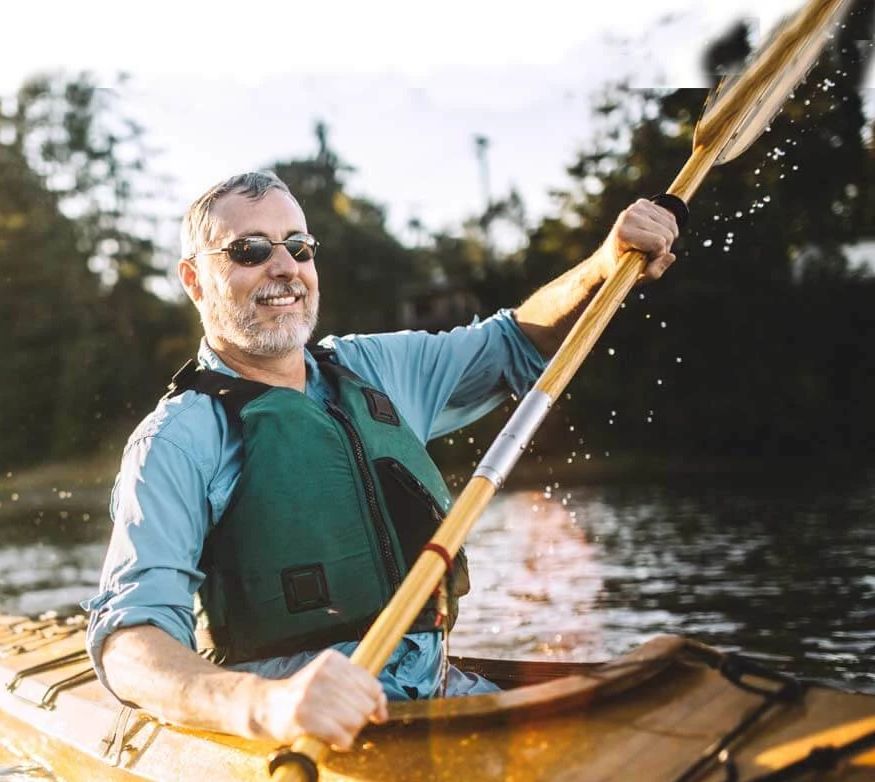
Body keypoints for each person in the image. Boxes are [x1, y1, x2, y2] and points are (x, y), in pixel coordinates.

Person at [83, 172, 679, 752]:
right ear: (195, 279)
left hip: (435, 694)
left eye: (299, 246)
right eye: (249, 250)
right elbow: (129, 646)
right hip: (301, 730)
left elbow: (517, 342)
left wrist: (604, 263)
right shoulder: (176, 440)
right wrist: (267, 704)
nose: (285, 266)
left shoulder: (373, 370)